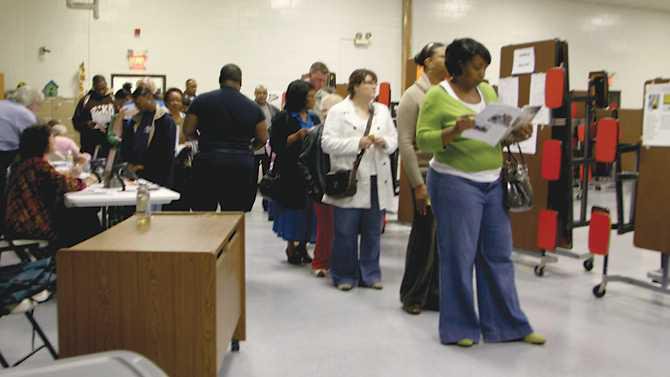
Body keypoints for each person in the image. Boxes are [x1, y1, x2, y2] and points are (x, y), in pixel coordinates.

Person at [416, 38, 544, 347]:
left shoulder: (487, 92)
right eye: (476, 67)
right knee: (459, 256)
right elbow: (423, 141)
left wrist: (517, 131)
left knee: (498, 254)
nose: (482, 73)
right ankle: (459, 327)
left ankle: (508, 324)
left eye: (485, 67)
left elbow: (494, 135)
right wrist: (454, 130)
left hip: (492, 181)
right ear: (458, 67)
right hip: (454, 182)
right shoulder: (437, 96)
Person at [321, 69, 398, 291]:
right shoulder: (338, 111)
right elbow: (327, 143)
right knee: (345, 231)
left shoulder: (382, 111)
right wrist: (357, 143)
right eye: (368, 83)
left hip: (378, 177)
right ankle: (344, 275)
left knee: (373, 231)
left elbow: (394, 139)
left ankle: (370, 274)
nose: (373, 87)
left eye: (375, 84)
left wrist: (385, 142)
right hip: (351, 178)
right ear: (355, 86)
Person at [397, 42, 446, 315]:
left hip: (446, 172)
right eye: (443, 56)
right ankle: (413, 295)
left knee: (441, 239)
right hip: (425, 173)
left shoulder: (446, 93)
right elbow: (406, 142)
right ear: (427, 62)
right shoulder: (413, 96)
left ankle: (435, 294)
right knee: (424, 236)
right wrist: (417, 184)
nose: (449, 60)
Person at [184, 64, 268, 212]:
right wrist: (249, 148)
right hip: (240, 165)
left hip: (207, 162)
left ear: (220, 80)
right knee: (233, 217)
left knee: (203, 215)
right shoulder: (253, 107)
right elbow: (262, 138)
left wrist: (202, 140)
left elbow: (188, 130)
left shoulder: (201, 101)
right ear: (240, 82)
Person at [4, 125, 100, 248]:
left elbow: (56, 180)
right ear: (42, 142)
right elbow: (68, 184)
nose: (54, 140)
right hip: (32, 224)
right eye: (51, 138)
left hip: (20, 221)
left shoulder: (25, 163)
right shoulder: (37, 165)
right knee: (86, 219)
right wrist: (90, 180)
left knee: (81, 215)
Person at [270, 80, 321, 265]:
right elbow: (276, 145)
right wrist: (296, 137)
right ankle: (292, 245)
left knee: (309, 211)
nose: (313, 100)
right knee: (293, 211)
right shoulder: (282, 118)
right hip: (290, 172)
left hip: (310, 172)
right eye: (310, 97)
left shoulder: (314, 118)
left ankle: (304, 246)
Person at [0, 86, 43, 232]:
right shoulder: (24, 114)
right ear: (32, 103)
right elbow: (36, 141)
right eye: (38, 105)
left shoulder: (3, 104)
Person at [117, 85, 177, 188]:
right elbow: (128, 144)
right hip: (137, 175)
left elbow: (166, 152)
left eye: (140, 103)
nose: (138, 107)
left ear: (149, 97)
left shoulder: (165, 120)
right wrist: (130, 164)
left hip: (158, 175)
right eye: (136, 104)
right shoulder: (136, 120)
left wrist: (144, 166)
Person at [310, 93, 343, 277]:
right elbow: (308, 163)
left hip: (342, 187)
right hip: (324, 188)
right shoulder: (316, 133)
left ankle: (332, 261)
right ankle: (320, 262)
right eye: (324, 111)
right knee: (326, 227)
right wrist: (316, 187)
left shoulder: (344, 133)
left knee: (341, 228)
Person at [72, 75, 115, 156]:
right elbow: (76, 122)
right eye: (98, 89)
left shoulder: (112, 99)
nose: (101, 91)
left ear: (106, 85)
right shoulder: (85, 101)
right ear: (93, 87)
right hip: (89, 143)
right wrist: (86, 124)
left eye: (103, 88)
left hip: (108, 143)